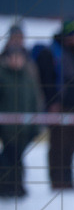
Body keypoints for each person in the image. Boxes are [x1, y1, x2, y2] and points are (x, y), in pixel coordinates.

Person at [34, 17, 74, 190]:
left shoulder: (73, 51)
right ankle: (57, 181)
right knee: (58, 145)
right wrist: (53, 103)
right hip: (59, 108)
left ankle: (67, 180)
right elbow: (47, 81)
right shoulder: (51, 53)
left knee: (71, 145)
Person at [0, 46, 41, 198]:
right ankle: (7, 187)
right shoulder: (2, 76)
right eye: (13, 57)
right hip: (7, 128)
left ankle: (16, 186)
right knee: (9, 157)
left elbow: (34, 101)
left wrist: (36, 125)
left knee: (17, 157)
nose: (16, 61)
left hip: (25, 128)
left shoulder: (27, 77)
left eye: (19, 57)